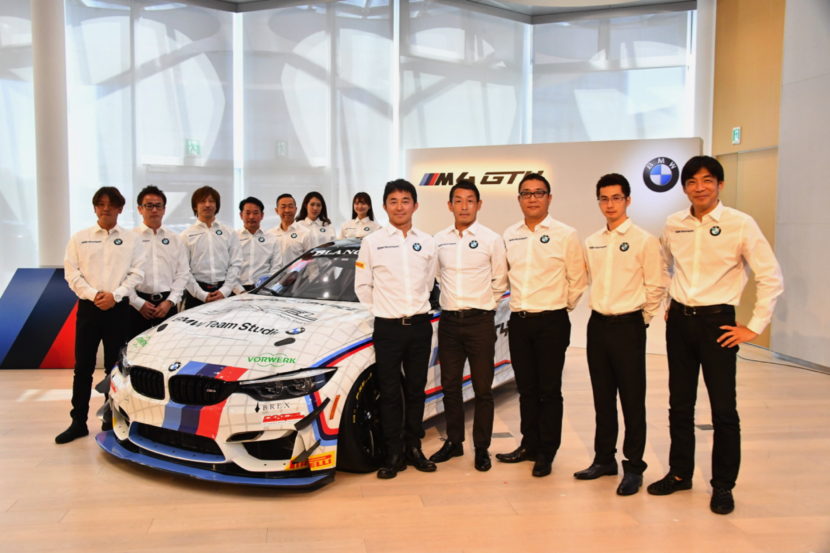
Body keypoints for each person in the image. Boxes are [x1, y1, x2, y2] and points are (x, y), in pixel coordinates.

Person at [647, 156, 784, 515]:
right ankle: (680, 474)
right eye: (692, 182)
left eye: (707, 180)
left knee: (723, 408)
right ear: (684, 187)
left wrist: (754, 326)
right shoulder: (674, 223)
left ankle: (723, 485)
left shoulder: (740, 223)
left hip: (718, 323)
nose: (700, 188)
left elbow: (770, 276)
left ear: (720, 185)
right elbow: (664, 265)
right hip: (680, 323)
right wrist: (669, 300)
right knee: (679, 404)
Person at [575, 173, 666, 495]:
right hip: (598, 325)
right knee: (602, 399)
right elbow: (586, 279)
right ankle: (604, 459)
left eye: (616, 198)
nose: (610, 204)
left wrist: (642, 319)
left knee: (632, 400)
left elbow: (656, 285)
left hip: (629, 326)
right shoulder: (592, 241)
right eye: (604, 198)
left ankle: (634, 466)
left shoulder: (644, 240)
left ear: (628, 200)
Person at [496, 173, 588, 477]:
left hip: (551, 321)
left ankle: (547, 452)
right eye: (526, 193)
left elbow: (578, 279)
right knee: (526, 389)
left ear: (549, 198)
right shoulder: (510, 234)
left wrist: (560, 306)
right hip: (519, 322)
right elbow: (503, 276)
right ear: (519, 199)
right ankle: (529, 445)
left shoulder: (565, 234)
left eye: (538, 193)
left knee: (549, 390)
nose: (532, 198)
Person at [355, 179, 438, 479]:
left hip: (419, 326)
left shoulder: (427, 242)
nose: (399, 206)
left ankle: (414, 447)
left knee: (416, 390)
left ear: (415, 205)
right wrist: (381, 311)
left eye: (405, 201)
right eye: (393, 201)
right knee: (389, 392)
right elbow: (363, 286)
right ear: (384, 206)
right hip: (387, 329)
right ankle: (393, 453)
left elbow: (429, 282)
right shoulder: (372, 242)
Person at [429, 180, 508, 472]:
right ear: (450, 205)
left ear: (479, 204)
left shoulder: (491, 239)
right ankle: (454, 442)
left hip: (480, 322)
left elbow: (500, 279)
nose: (464, 206)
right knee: (450, 386)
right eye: (459, 201)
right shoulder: (438, 240)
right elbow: (437, 276)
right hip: (450, 322)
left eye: (470, 200)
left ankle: (482, 447)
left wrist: (486, 305)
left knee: (482, 388)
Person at [56, 186, 144, 444]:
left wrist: (115, 295)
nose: (106, 209)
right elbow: (72, 273)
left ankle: (111, 419)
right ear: (95, 208)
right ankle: (78, 422)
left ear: (120, 209)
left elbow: (137, 273)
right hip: (89, 309)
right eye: (101, 204)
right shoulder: (80, 238)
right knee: (83, 367)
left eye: (112, 204)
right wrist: (94, 295)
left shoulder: (131, 239)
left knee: (114, 368)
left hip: (118, 309)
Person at [128, 185, 189, 336]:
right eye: (149, 206)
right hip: (137, 306)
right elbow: (122, 275)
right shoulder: (130, 238)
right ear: (140, 209)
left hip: (167, 304)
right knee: (137, 348)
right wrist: (137, 302)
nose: (154, 210)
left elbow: (183, 273)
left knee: (167, 347)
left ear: (164, 209)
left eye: (158, 206)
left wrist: (170, 301)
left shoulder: (175, 238)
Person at [180, 186, 242, 309]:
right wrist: (201, 294)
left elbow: (236, 263)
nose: (207, 205)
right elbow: (183, 269)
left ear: (217, 205)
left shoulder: (229, 232)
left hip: (224, 292)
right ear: (195, 206)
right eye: (202, 201)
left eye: (211, 201)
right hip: (196, 295)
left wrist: (225, 290)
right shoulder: (185, 235)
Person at [235, 196, 280, 293]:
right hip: (236, 291)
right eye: (248, 213)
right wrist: (240, 291)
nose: (251, 217)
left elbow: (276, 267)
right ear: (241, 215)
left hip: (263, 290)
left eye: (255, 213)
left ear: (262, 215)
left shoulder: (272, 239)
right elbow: (228, 268)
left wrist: (265, 288)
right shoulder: (233, 238)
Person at [268, 193, 313, 269]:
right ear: (277, 210)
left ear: (296, 209)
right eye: (283, 207)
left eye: (290, 206)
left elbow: (311, 263)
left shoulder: (305, 233)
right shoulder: (270, 234)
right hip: (275, 276)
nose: (287, 210)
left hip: (297, 276)